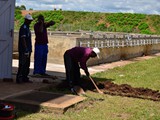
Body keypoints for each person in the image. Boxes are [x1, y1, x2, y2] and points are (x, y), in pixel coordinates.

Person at [16, 14, 33, 84]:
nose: (30, 22)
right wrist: (25, 48)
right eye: (29, 21)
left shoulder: (28, 28)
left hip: (28, 49)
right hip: (23, 50)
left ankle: (25, 77)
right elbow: (23, 39)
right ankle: (19, 78)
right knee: (22, 64)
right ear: (26, 20)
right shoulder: (23, 28)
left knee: (27, 64)